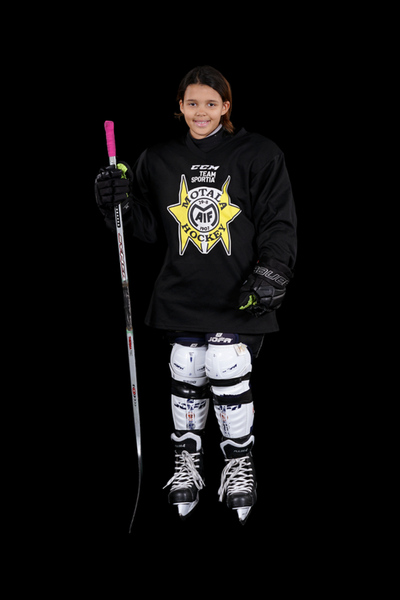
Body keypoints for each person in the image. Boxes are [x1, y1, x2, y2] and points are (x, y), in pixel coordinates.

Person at [95, 65, 297, 524]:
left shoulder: (258, 152)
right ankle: (187, 463)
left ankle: (239, 466)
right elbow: (147, 228)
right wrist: (115, 202)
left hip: (238, 293)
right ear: (180, 108)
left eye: (210, 103)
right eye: (192, 103)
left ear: (225, 106)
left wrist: (272, 272)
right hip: (181, 292)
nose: (200, 112)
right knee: (186, 367)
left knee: (225, 365)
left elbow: (279, 220)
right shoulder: (159, 157)